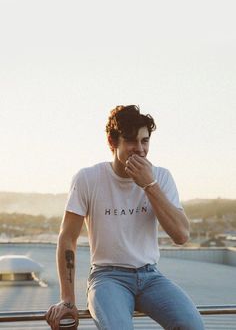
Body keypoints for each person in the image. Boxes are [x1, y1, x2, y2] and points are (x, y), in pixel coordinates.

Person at [46, 105, 204, 330]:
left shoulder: (161, 177)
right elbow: (67, 238)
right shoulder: (88, 178)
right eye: (131, 141)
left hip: (151, 276)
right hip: (107, 277)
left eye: (145, 141)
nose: (140, 149)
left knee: (193, 325)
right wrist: (68, 299)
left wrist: (149, 185)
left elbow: (181, 235)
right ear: (112, 142)